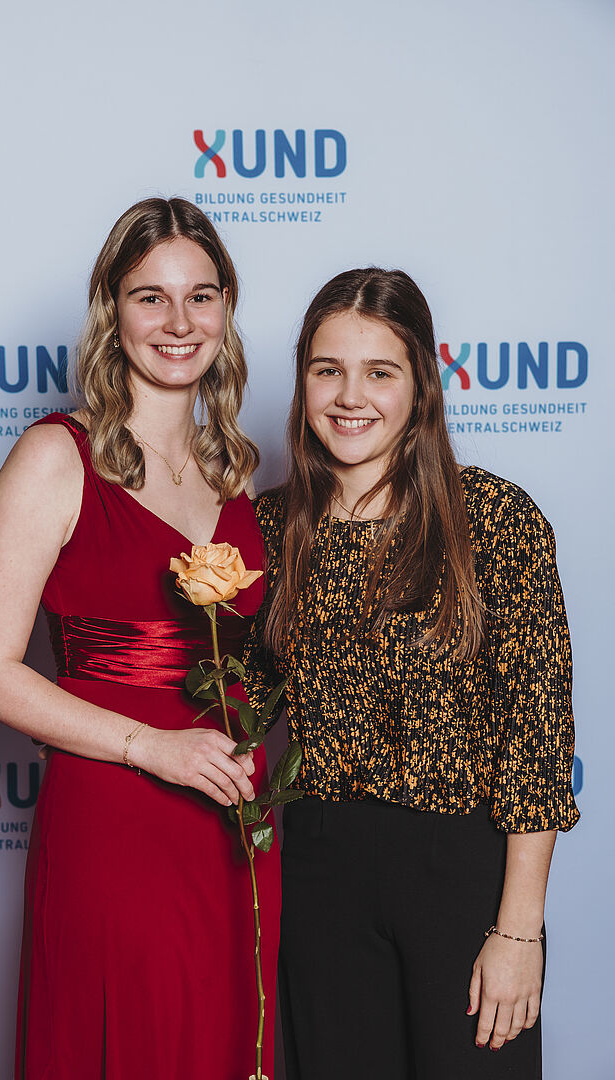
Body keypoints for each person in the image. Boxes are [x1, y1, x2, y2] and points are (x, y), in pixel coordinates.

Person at [0, 197, 280, 1080]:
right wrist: (150, 747)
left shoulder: (238, 471)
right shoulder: (55, 457)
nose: (179, 323)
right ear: (112, 308)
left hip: (232, 827)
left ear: (226, 308)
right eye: (150, 297)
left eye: (201, 296)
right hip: (115, 818)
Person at [243, 267, 579, 1080]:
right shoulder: (267, 526)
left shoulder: (493, 518)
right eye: (327, 369)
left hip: (461, 872)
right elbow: (236, 708)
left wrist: (519, 930)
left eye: (379, 372)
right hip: (319, 872)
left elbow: (535, 739)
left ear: (422, 384)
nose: (349, 396)